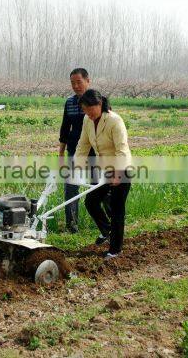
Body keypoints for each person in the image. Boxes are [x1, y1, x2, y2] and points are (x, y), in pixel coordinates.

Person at [74, 89, 132, 259]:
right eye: (84, 110)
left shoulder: (114, 121)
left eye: (90, 109)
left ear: (99, 105)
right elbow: (83, 145)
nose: (88, 113)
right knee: (91, 202)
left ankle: (115, 250)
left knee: (116, 209)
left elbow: (122, 149)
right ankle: (107, 230)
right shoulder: (87, 120)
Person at [59, 68, 111, 233]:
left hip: (96, 152)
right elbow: (65, 128)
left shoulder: (98, 101)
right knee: (71, 187)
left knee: (99, 187)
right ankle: (72, 225)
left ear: (88, 81)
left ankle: (109, 222)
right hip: (76, 150)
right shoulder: (69, 102)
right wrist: (62, 151)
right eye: (72, 83)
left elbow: (107, 125)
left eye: (79, 82)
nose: (75, 86)